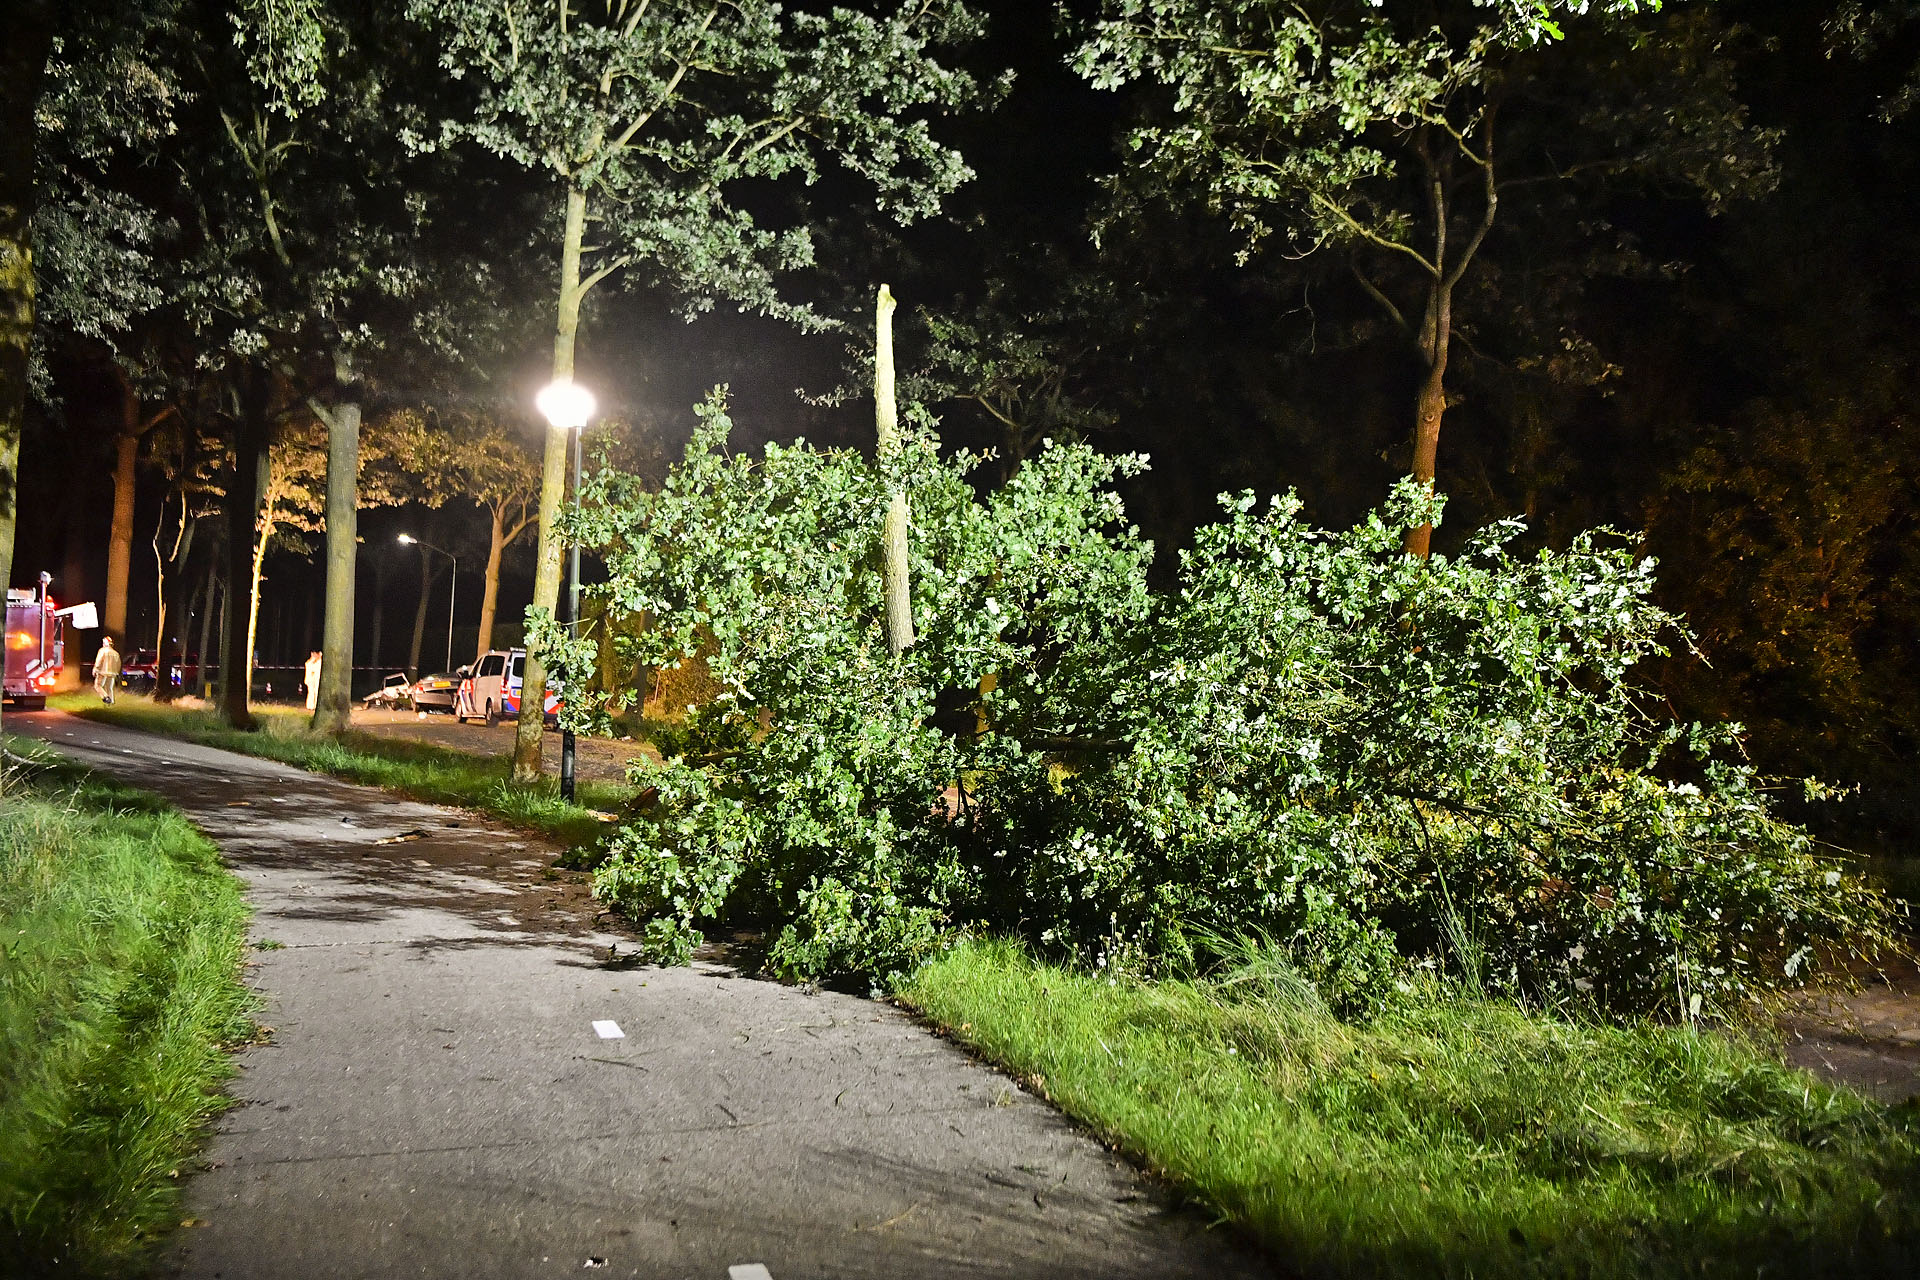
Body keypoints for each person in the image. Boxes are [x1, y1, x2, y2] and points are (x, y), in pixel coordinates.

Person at [93, 636, 122, 702]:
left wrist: (95, 669)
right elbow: (119, 664)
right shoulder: (116, 653)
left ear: (106, 643)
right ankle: (111, 702)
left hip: (102, 672)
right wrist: (116, 672)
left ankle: (106, 697)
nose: (103, 644)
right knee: (109, 688)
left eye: (103, 643)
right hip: (112, 673)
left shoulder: (102, 651)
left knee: (97, 685)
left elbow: (99, 661)